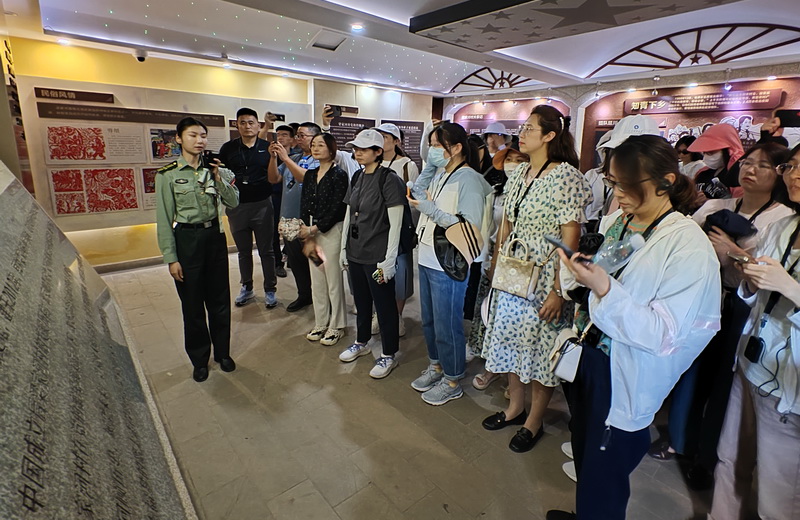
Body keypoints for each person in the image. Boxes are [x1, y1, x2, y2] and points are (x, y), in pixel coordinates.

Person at [547, 135, 721, 520]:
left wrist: (604, 289)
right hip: (588, 358)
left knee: (606, 476)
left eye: (627, 184)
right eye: (613, 182)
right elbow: (596, 284)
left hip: (623, 375)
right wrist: (578, 274)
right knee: (586, 457)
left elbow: (663, 334)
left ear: (666, 181)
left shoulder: (687, 245)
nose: (618, 193)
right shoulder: (619, 222)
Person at [648, 142, 793, 486]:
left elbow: (769, 276)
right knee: (691, 371)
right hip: (704, 299)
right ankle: (680, 439)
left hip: (745, 307)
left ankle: (708, 457)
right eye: (748, 162)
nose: (751, 169)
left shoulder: (782, 219)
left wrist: (734, 252)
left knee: (726, 385)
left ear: (778, 175)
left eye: (763, 166)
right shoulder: (717, 205)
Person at [480, 106, 591, 448]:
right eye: (523, 128)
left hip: (545, 278)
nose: (522, 134)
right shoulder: (519, 173)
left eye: (530, 129)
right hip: (514, 275)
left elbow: (570, 239)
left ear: (550, 135)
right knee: (511, 342)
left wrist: (559, 290)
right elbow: (506, 225)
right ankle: (514, 407)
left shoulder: (567, 177)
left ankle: (534, 420)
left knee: (541, 350)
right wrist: (496, 264)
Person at [709, 144, 800, 520]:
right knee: (730, 459)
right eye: (791, 166)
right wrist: (749, 273)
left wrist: (789, 286)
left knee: (780, 493)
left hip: (791, 387)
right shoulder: (784, 227)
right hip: (752, 362)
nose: (795, 175)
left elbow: (781, 287)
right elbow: (755, 293)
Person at [407, 122, 492, 406]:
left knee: (447, 324)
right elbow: (418, 191)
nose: (431, 151)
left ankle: (453, 379)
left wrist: (430, 209)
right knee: (430, 320)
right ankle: (437, 365)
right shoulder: (442, 173)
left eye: (436, 146)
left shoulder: (469, 179)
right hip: (427, 255)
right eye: (430, 145)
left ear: (456, 148)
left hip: (449, 261)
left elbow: (468, 225)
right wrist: (430, 167)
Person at [155, 117, 239, 382]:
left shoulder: (217, 169)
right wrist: (171, 258)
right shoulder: (168, 175)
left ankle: (223, 353)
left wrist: (218, 177)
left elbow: (234, 202)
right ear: (179, 139)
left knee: (219, 300)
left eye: (203, 135)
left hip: (214, 237)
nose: (199, 140)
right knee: (192, 305)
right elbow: (164, 219)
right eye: (193, 135)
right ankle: (200, 359)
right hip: (187, 239)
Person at [338, 129, 405, 379]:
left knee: (384, 305)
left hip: (377, 257)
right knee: (361, 301)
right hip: (356, 253)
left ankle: (389, 354)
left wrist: (389, 260)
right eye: (356, 148)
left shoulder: (389, 179)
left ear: (378, 151)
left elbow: (396, 223)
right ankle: (362, 341)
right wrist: (343, 248)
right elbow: (349, 213)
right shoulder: (357, 176)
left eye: (364, 149)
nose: (358, 152)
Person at [468, 143, 528, 389]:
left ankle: (513, 373)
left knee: (513, 317)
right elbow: (488, 228)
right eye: (509, 159)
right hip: (495, 256)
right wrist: (487, 259)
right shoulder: (496, 192)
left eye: (519, 159)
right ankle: (492, 366)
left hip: (521, 260)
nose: (513, 165)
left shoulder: (532, 193)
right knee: (489, 310)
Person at [218, 108, 278, 309]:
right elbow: (222, 174)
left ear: (258, 125)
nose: (247, 126)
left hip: (263, 205)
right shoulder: (228, 148)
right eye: (242, 122)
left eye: (251, 122)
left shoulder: (267, 147)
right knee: (243, 252)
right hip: (237, 207)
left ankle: (270, 289)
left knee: (267, 251)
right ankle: (247, 287)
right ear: (237, 125)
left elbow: (274, 176)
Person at [299, 133, 349, 346]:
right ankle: (321, 322)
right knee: (317, 279)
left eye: (321, 145)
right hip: (311, 233)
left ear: (331, 148)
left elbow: (338, 208)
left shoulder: (339, 175)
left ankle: (337, 325)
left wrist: (315, 228)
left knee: (333, 280)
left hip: (330, 232)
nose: (316, 148)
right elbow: (304, 203)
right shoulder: (310, 175)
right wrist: (305, 230)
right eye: (313, 145)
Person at [375, 122, 419, 337]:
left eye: (385, 137)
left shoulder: (407, 165)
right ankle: (380, 315)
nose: (381, 141)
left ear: (396, 141)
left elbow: (415, 198)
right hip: (375, 228)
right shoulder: (371, 162)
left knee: (400, 275)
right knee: (378, 273)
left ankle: (397, 316)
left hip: (400, 227)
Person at [268, 123, 314, 312]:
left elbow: (305, 178)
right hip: (289, 220)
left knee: (316, 262)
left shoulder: (320, 161)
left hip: (310, 223)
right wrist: (273, 158)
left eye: (302, 135)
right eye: (298, 135)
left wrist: (285, 158)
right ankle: (304, 295)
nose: (298, 139)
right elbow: (273, 179)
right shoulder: (294, 158)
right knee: (296, 262)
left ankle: (322, 298)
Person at [688, 123, 745, 206]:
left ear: (728, 150)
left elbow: (741, 205)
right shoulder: (702, 172)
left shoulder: (738, 175)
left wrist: (710, 203)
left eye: (711, 152)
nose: (706, 157)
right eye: (704, 152)